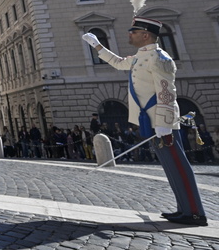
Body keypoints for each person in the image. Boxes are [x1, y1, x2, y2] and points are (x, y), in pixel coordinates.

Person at [83, 16, 207, 226]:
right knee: (169, 166)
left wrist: (164, 123)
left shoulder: (160, 58)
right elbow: (118, 62)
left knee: (178, 165)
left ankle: (195, 212)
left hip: (161, 122)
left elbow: (167, 91)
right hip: (151, 121)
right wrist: (97, 45)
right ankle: (184, 209)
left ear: (145, 35)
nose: (129, 34)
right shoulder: (141, 56)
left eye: (133, 31)